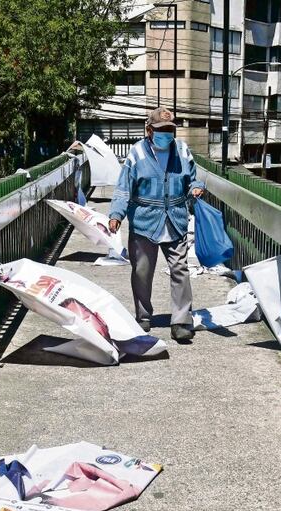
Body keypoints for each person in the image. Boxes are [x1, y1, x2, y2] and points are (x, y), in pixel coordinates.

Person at [108, 107, 205, 343]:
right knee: (142, 271)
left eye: (170, 130)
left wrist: (196, 186)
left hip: (175, 220)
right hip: (144, 221)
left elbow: (193, 176)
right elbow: (124, 187)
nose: (167, 135)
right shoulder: (136, 154)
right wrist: (116, 214)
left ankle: (181, 321)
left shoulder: (182, 150)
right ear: (149, 130)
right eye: (161, 131)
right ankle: (143, 316)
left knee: (180, 270)